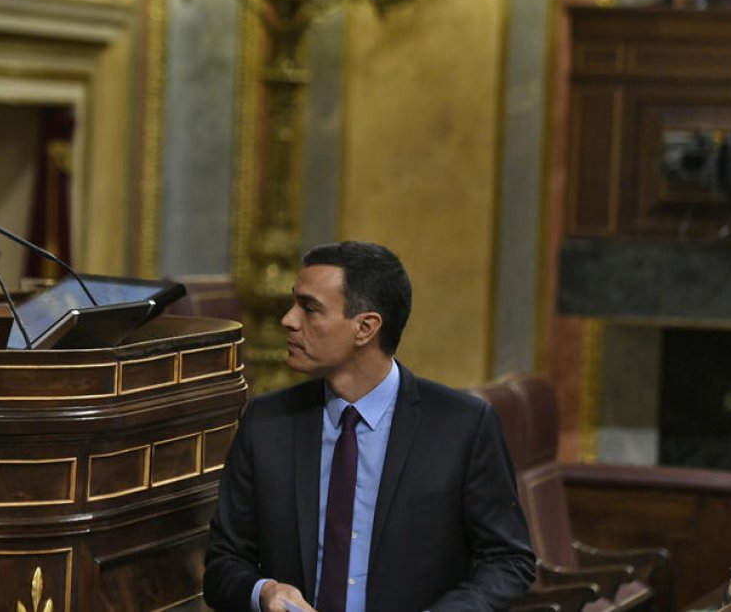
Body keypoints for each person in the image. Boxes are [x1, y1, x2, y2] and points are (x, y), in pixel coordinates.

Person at [203, 241, 536, 612]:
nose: (288, 319)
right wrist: (264, 591)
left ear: (366, 327)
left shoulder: (462, 426)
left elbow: (509, 561)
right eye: (294, 303)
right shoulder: (267, 423)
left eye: (310, 308)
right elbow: (222, 565)